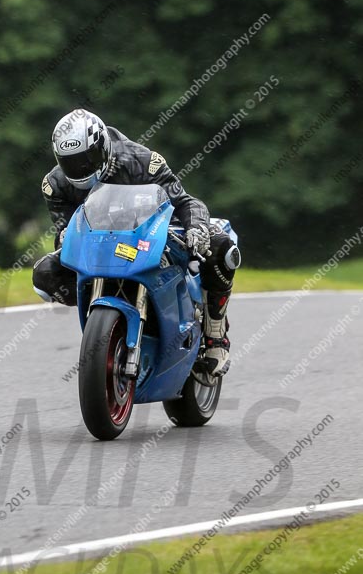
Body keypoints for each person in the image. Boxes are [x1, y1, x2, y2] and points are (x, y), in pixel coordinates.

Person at [33, 109, 241, 376]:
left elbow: (185, 202)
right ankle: (106, 320)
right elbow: (65, 233)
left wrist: (197, 229)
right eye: (70, 162)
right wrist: (64, 239)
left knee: (221, 247)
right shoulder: (54, 185)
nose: (80, 168)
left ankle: (215, 333)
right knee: (45, 274)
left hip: (148, 234)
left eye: (87, 159)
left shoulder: (142, 161)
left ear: (102, 146)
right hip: (100, 245)